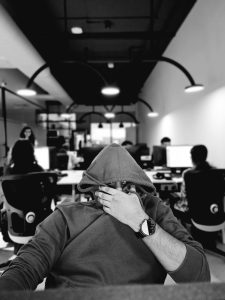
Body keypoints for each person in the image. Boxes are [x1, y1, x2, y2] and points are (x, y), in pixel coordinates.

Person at [0, 143, 210, 290]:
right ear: (93, 190)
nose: (118, 193)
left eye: (127, 186)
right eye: (109, 187)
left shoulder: (154, 211)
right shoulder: (66, 216)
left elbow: (199, 276)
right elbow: (26, 266)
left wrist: (139, 221)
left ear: (139, 187)